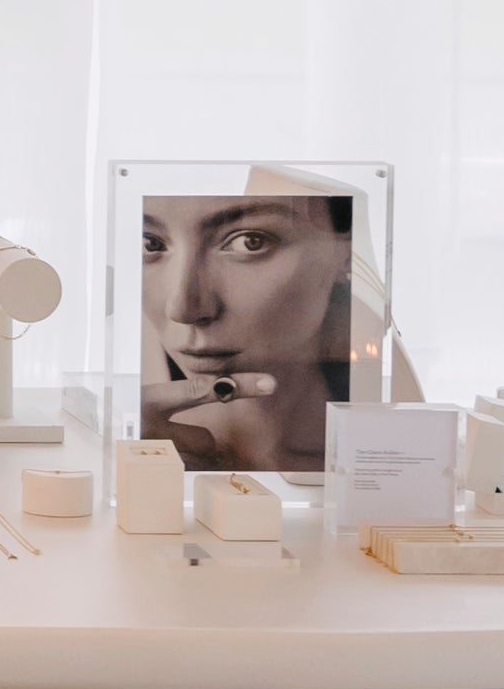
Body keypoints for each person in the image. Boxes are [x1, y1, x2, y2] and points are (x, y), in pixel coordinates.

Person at [138, 182, 358, 472]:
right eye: (150, 243)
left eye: (250, 241)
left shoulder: (379, 456)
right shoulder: (132, 454)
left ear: (348, 253)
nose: (183, 309)